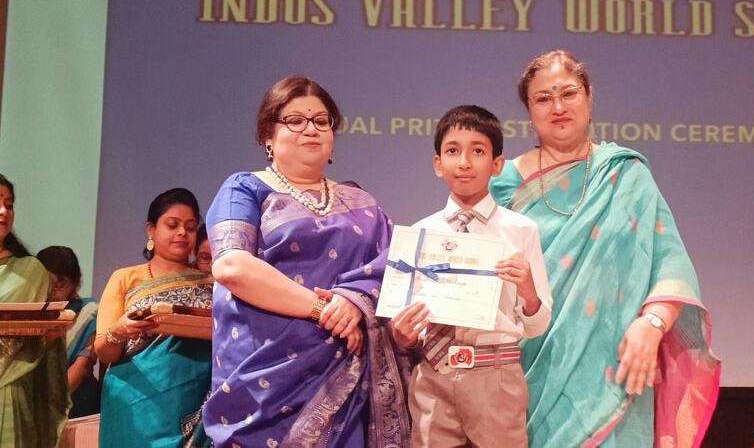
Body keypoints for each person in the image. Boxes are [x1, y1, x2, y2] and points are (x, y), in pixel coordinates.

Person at [488, 50, 720, 446]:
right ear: (528, 109)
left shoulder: (626, 174)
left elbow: (670, 263)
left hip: (615, 367)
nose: (558, 107)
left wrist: (652, 325)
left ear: (588, 97)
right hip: (529, 368)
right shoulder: (504, 181)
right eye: (543, 98)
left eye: (568, 93)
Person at [202, 75, 411, 447]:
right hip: (268, 378)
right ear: (268, 136)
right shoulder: (245, 189)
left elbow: (395, 262)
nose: (310, 129)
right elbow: (232, 266)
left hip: (349, 371)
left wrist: (354, 301)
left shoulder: (361, 201)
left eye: (321, 121)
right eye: (295, 120)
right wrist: (324, 309)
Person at [390, 105, 553, 447]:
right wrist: (403, 336)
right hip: (433, 373)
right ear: (438, 164)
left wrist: (528, 290)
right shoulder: (418, 233)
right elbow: (407, 327)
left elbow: (537, 327)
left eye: (477, 151)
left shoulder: (521, 230)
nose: (464, 162)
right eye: (453, 151)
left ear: (497, 165)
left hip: (496, 376)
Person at [94, 187, 213, 447]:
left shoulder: (211, 283)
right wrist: (120, 330)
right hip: (135, 403)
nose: (182, 233)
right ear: (151, 230)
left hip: (194, 402)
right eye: (172, 225)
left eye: (190, 227)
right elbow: (104, 352)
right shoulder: (126, 278)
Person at [0, 173, 70, 447]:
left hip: (8, 390)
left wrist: (52, 334)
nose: (4, 211)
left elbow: (40, 343)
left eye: (9, 204)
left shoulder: (30, 271)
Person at [37, 245, 101, 418]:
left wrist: (48, 405)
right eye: (47, 284)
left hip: (75, 401)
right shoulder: (27, 313)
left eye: (60, 286)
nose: (53, 293)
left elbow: (83, 366)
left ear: (76, 282)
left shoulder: (88, 313)